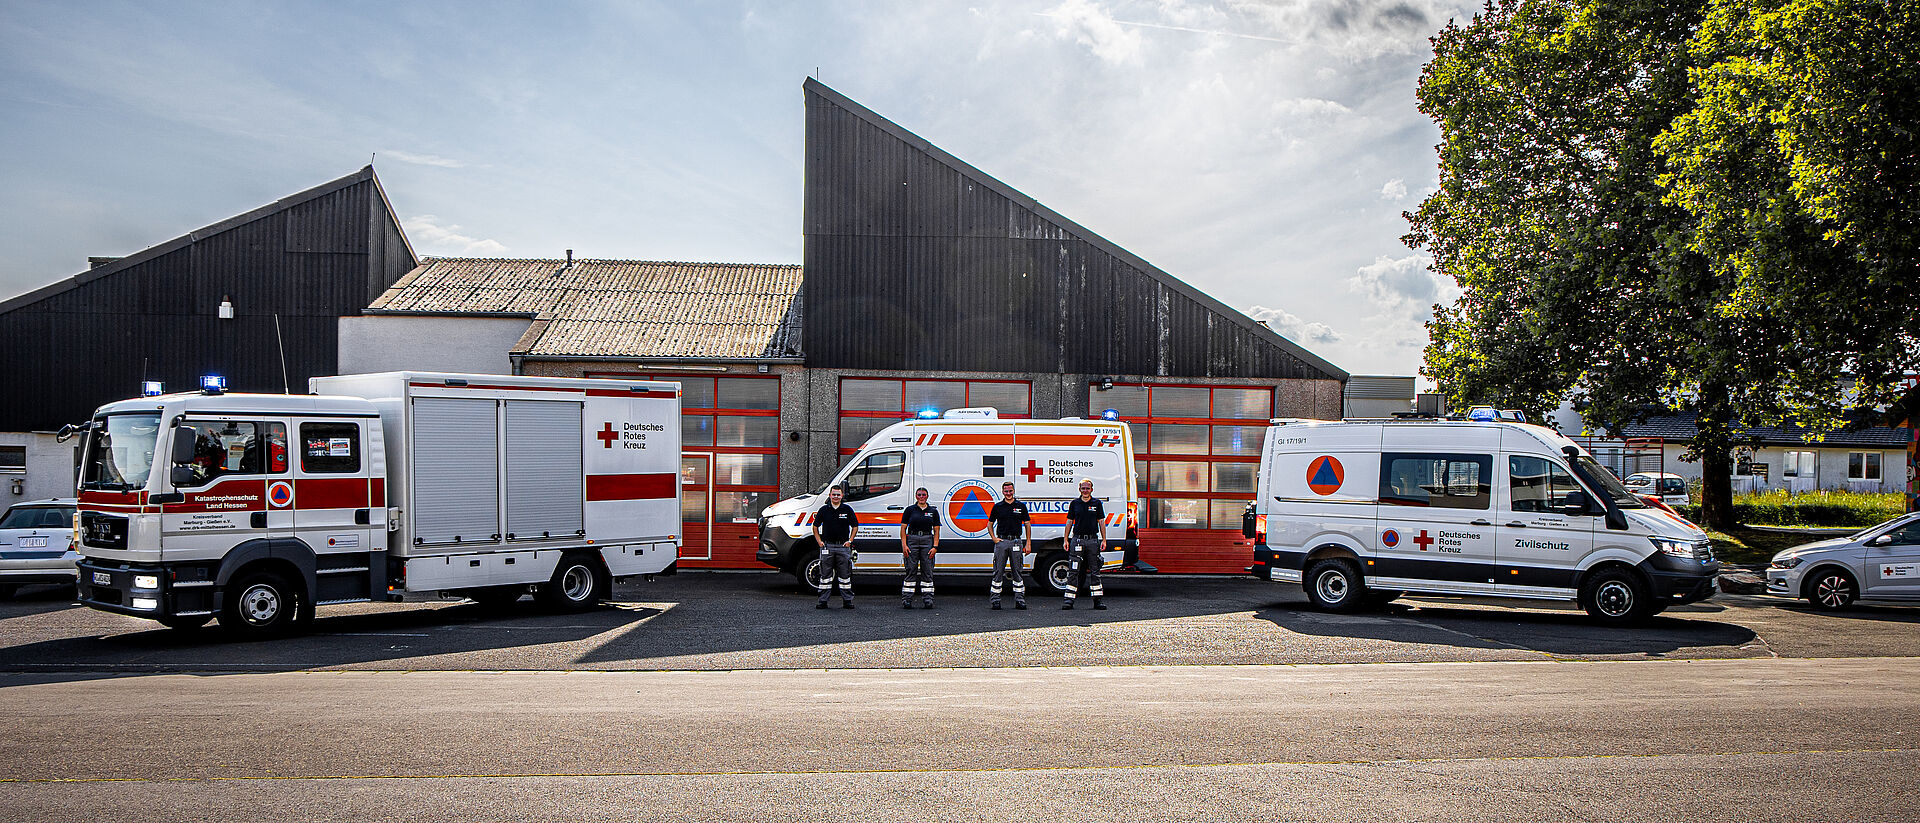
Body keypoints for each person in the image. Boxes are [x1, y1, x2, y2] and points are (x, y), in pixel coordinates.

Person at [811, 484, 859, 609]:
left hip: (843, 547)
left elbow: (855, 526)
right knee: (825, 576)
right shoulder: (823, 510)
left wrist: (850, 541)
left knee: (845, 576)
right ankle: (823, 601)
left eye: (838, 494)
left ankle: (847, 601)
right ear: (830, 495)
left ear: (842, 496)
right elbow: (815, 526)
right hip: (827, 547)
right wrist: (819, 542)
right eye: (834, 494)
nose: (836, 497)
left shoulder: (847, 509)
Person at [1063, 478, 1107, 610]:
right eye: (1083, 488)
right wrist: (1066, 539)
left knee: (1095, 570)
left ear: (1092, 489)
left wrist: (1104, 540)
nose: (1085, 490)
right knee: (1073, 571)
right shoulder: (1075, 503)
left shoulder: (1097, 503)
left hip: (1092, 541)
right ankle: (1069, 601)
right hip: (1077, 540)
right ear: (1079, 489)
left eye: (1088, 488)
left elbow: (1101, 522)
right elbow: (1069, 522)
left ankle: (1098, 601)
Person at [987, 481, 1031, 610]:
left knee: (1017, 571)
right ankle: (995, 600)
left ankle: (1020, 600)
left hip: (1016, 541)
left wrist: (1028, 543)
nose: (1008, 493)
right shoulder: (998, 507)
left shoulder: (1021, 506)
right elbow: (990, 524)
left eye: (1010, 491)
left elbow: (1027, 524)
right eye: (1006, 491)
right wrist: (994, 538)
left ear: (1013, 491)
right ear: (1002, 492)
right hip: (1002, 542)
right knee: (998, 571)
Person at [898, 487, 940, 608]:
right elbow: (903, 528)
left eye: (924, 495)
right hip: (912, 540)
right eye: (919, 495)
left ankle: (928, 599)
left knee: (927, 570)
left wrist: (935, 546)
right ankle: (907, 599)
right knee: (911, 569)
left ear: (927, 496)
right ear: (916, 496)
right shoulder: (910, 510)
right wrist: (904, 545)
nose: (921, 497)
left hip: (927, 541)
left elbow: (937, 530)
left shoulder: (933, 511)